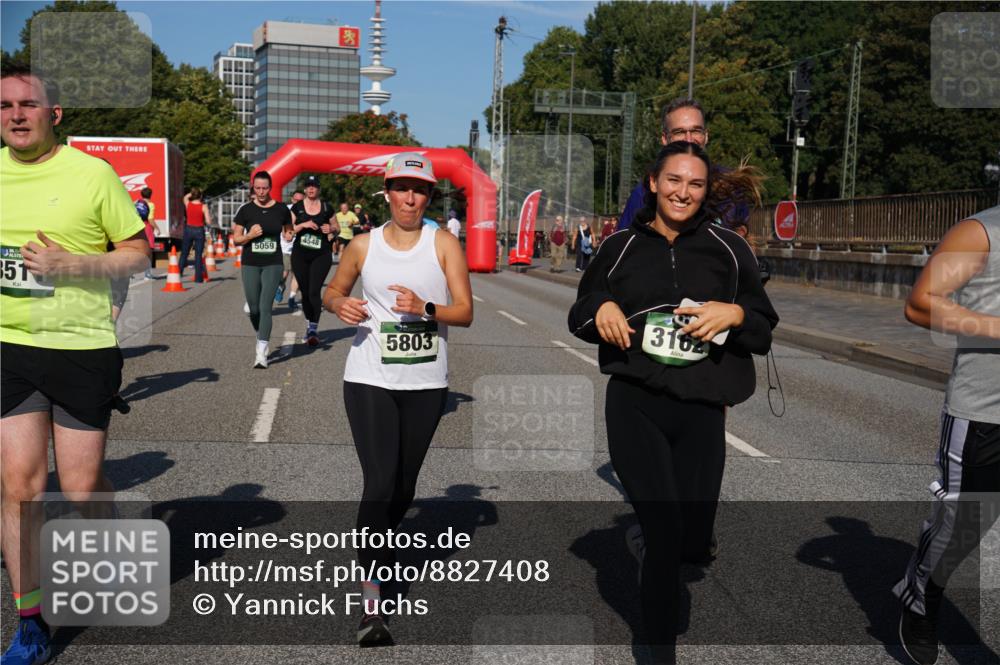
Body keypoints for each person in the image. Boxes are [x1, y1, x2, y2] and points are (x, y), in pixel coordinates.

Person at [568, 141, 777, 663]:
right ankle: (657, 651)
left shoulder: (729, 249)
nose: (684, 192)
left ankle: (648, 544)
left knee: (691, 542)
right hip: (636, 401)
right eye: (674, 181)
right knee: (665, 531)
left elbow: (764, 326)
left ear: (705, 191)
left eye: (696, 184)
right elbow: (579, 314)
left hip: (703, 408)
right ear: (655, 184)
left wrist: (733, 316)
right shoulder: (619, 248)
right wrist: (603, 308)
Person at [1, 63, 150, 665]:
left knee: (82, 486)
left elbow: (138, 254)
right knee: (20, 487)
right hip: (10, 347)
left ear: (54, 114)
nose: (15, 115)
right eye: (5, 105)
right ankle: (30, 620)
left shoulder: (93, 175)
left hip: (82, 348)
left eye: (28, 105)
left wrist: (74, 265)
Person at [322, 152, 473, 647]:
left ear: (430, 196)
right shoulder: (363, 245)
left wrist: (426, 308)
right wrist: (339, 303)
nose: (411, 198)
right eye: (403, 188)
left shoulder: (444, 243)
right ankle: (373, 605)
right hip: (369, 376)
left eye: (421, 190)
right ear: (386, 191)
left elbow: (465, 312)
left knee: (404, 489)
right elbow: (332, 291)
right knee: (380, 481)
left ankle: (376, 549)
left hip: (427, 382)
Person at [892, 205, 1000, 665]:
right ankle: (921, 597)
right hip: (985, 412)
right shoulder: (981, 233)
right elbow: (921, 303)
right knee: (963, 528)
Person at [232, 171, 293, 368]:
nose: (261, 192)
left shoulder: (281, 209)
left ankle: (261, 353)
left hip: (273, 263)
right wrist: (250, 235)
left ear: (270, 187)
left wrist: (289, 235)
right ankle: (261, 333)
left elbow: (288, 229)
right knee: (254, 308)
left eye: (264, 188)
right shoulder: (246, 210)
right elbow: (236, 238)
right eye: (257, 188)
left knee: (266, 307)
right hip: (250, 262)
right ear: (253, 188)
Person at [289, 175, 335, 345]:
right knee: (306, 292)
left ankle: (313, 329)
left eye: (314, 186)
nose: (311, 189)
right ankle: (310, 322)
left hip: (321, 254)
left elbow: (336, 227)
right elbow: (288, 231)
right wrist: (303, 225)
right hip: (300, 255)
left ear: (318, 189)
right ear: (305, 189)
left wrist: (331, 228)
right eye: (308, 186)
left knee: (314, 291)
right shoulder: (297, 207)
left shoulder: (327, 207)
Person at [178, 188, 212, 283]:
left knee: (184, 253)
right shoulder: (204, 206)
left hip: (188, 229)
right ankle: (198, 278)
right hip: (199, 230)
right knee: (198, 255)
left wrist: (193, 192)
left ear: (192, 195)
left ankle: (178, 274)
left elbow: (185, 197)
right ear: (201, 196)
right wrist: (208, 221)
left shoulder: (188, 204)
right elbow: (208, 221)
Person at [137, 187, 155, 279]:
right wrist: (157, 228)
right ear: (151, 195)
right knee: (149, 250)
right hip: (146, 227)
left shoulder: (136, 203)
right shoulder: (151, 204)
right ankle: (147, 274)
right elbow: (150, 219)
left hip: (137, 227)